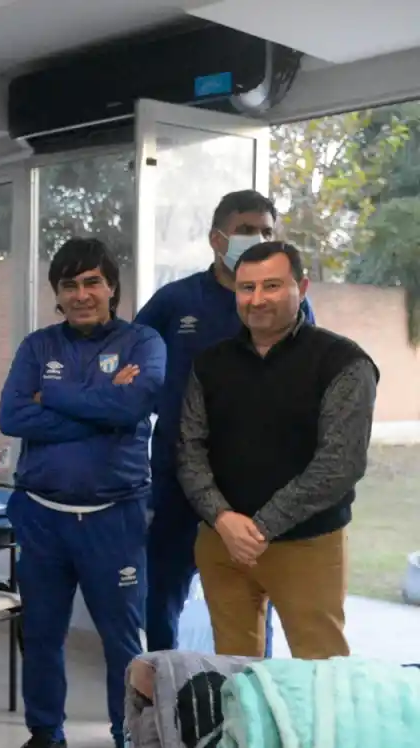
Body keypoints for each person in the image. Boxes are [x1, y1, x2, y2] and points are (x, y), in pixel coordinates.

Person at [0, 237, 166, 748]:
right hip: (42, 516)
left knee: (123, 641)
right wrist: (99, 408)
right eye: (69, 285)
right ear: (57, 294)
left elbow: (131, 407)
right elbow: (10, 414)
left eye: (92, 281)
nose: (81, 294)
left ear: (112, 286)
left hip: (113, 518)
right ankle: (47, 736)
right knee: (42, 633)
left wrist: (57, 397)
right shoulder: (37, 345)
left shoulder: (143, 341)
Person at [135, 190, 315, 655]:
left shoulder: (284, 306)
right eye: (247, 230)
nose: (258, 239)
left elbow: (308, 377)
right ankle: (163, 689)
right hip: (178, 475)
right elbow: (132, 365)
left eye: (267, 231)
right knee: (164, 591)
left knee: (253, 600)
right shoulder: (176, 301)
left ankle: (254, 697)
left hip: (253, 481)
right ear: (218, 239)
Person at [178, 240, 377, 659]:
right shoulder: (210, 363)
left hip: (306, 545)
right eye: (246, 288)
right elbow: (189, 448)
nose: (257, 299)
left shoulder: (342, 362)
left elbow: (339, 465)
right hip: (222, 543)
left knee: (321, 672)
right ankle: (246, 729)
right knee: (235, 673)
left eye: (272, 286)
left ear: (301, 287)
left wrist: (261, 526)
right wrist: (222, 518)